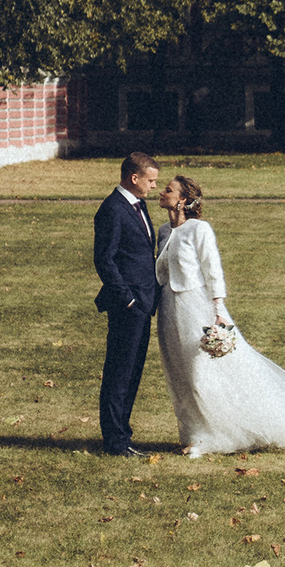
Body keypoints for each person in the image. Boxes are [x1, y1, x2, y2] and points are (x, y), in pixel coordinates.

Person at [153, 174, 285, 457]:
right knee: (178, 372)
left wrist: (218, 310)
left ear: (182, 199)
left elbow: (212, 269)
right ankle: (194, 433)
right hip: (169, 307)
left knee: (201, 372)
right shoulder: (163, 231)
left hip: (197, 306)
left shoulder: (200, 230)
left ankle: (215, 436)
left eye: (168, 190)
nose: (161, 192)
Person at [90, 152, 163, 456]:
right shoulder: (112, 210)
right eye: (151, 180)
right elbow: (104, 260)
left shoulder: (137, 205)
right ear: (134, 178)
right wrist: (128, 298)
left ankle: (123, 436)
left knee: (132, 373)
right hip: (128, 306)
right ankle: (116, 441)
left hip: (144, 304)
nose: (155, 187)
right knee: (119, 373)